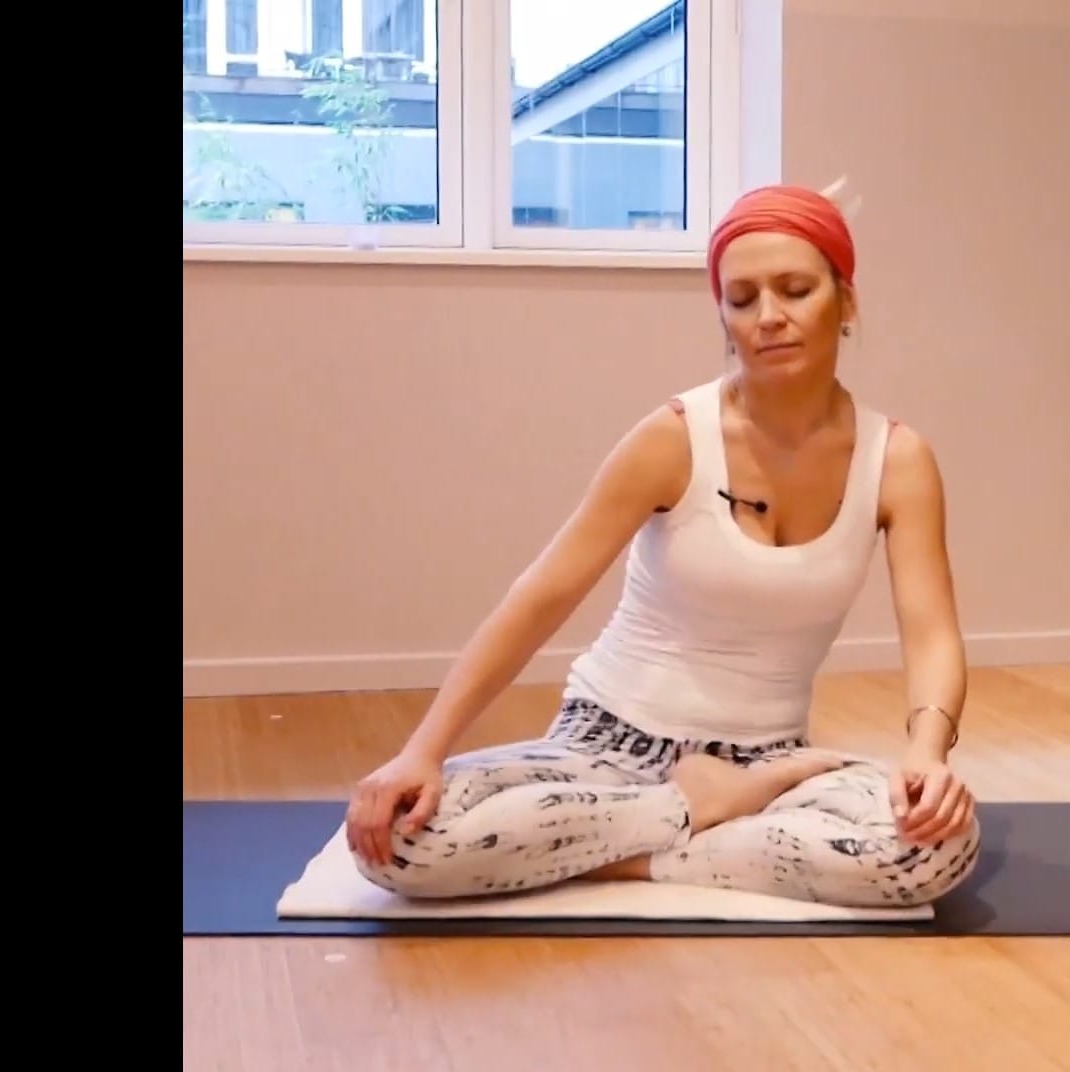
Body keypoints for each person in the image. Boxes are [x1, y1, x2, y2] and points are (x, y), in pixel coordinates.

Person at [343, 183, 981, 909]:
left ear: (847, 301)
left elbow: (931, 633)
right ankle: (698, 813)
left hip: (771, 762)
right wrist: (421, 751)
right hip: (606, 744)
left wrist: (927, 755)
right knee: (407, 841)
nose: (769, 316)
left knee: (933, 849)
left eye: (796, 290)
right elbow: (542, 595)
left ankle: (637, 840)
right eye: (742, 299)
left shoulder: (897, 459)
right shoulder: (671, 438)